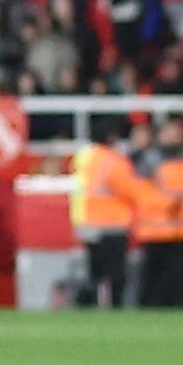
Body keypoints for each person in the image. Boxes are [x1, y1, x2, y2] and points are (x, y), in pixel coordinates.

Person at [131, 119, 183, 308]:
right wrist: (167, 204)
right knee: (153, 278)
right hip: (154, 230)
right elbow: (140, 192)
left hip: (182, 229)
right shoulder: (149, 161)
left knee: (180, 277)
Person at [68, 130, 143, 307]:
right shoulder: (113, 162)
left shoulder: (84, 158)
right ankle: (115, 306)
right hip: (112, 224)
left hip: (88, 223)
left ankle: (87, 305)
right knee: (116, 273)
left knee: (94, 272)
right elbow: (130, 189)